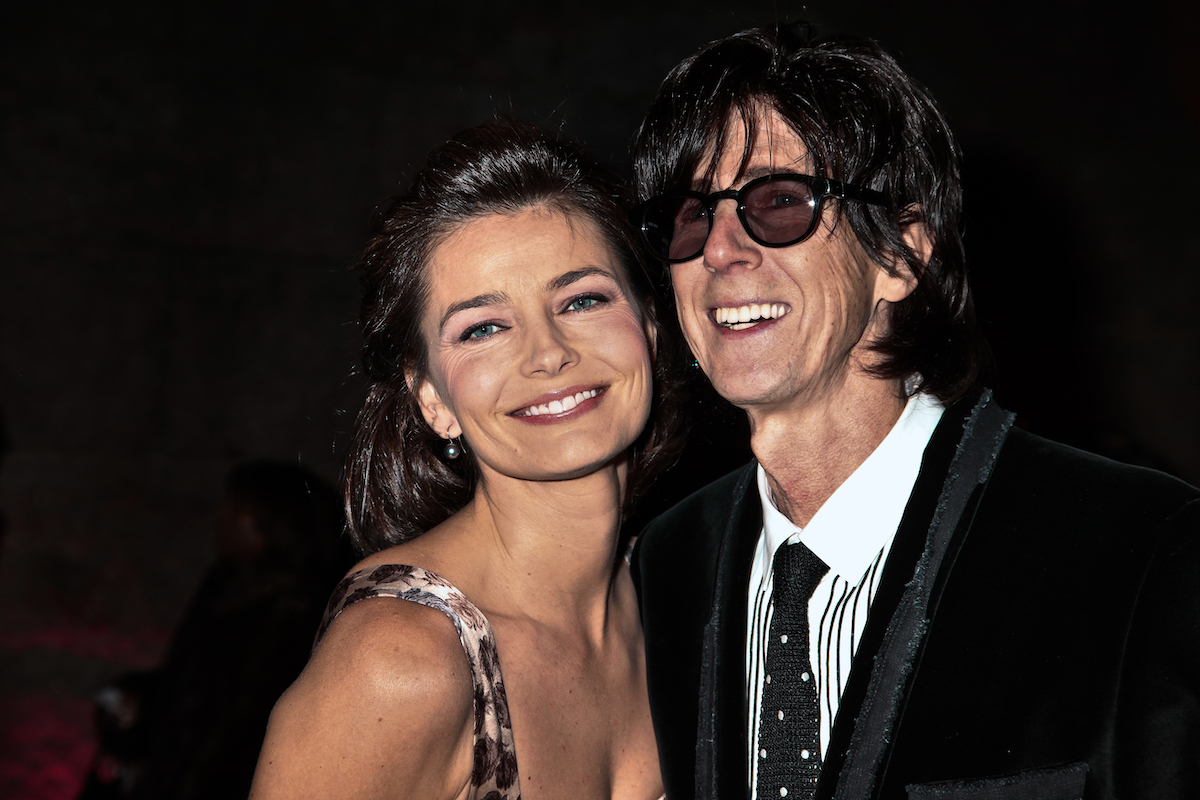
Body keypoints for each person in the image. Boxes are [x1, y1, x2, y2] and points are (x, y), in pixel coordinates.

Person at [629, 24, 1200, 800]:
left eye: (779, 202)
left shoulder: (1139, 549)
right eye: (693, 216)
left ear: (901, 255)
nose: (721, 248)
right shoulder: (659, 569)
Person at [249, 119, 683, 800]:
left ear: (650, 332)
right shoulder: (401, 659)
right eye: (483, 328)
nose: (547, 352)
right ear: (431, 399)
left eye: (582, 299)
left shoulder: (689, 608)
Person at [78, 460, 351, 800]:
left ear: (275, 524)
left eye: (238, 509)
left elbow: (250, 726)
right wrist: (138, 700)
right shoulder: (224, 587)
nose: (223, 517)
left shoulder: (305, 613)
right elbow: (189, 687)